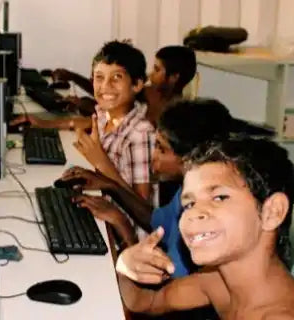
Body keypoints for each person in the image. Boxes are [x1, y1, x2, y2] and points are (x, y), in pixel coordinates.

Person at [115, 138, 294, 320]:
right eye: (189, 204)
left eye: (219, 197)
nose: (194, 213)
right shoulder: (217, 279)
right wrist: (125, 266)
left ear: (272, 212)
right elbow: (149, 303)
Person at [65, 99, 234, 271]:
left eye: (161, 149)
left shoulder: (201, 220)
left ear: (190, 158)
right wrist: (111, 187)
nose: (153, 156)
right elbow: (156, 220)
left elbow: (161, 290)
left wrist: (122, 225)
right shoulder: (187, 189)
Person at [12, 40, 155, 200]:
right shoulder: (107, 111)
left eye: (116, 77)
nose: (105, 86)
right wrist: (44, 123)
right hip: (104, 203)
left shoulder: (139, 133)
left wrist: (101, 163)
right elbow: (86, 122)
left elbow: (144, 208)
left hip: (120, 220)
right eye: (99, 77)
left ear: (137, 85)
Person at [53, 45, 197, 124]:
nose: (151, 73)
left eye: (157, 70)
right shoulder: (150, 92)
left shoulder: (177, 113)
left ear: (173, 77)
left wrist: (88, 107)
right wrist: (73, 77)